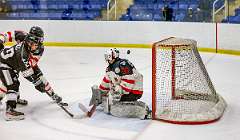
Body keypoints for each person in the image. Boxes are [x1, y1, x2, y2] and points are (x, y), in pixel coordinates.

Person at [0, 26, 63, 121]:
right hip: (4, 63)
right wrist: (37, 83)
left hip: (13, 64)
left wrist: (51, 93)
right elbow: (27, 73)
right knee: (12, 84)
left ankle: (14, 99)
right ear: (29, 41)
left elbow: (33, 67)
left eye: (37, 43)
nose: (35, 45)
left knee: (11, 82)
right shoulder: (23, 55)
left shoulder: (30, 40)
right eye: (32, 43)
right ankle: (10, 111)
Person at [89, 48, 151, 119]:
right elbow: (106, 81)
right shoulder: (110, 68)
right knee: (109, 104)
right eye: (106, 57)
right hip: (125, 91)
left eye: (108, 56)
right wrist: (100, 93)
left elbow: (129, 80)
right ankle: (140, 106)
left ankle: (143, 112)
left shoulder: (123, 64)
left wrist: (119, 91)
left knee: (115, 109)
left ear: (114, 56)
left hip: (133, 91)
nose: (107, 59)